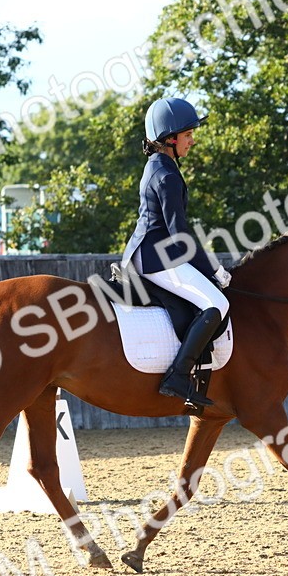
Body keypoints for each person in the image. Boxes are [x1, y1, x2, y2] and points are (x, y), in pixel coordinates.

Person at [120, 97, 231, 411]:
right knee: (217, 303)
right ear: (170, 139)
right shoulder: (166, 175)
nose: (193, 141)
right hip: (156, 257)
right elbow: (180, 237)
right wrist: (213, 270)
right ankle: (177, 376)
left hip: (156, 252)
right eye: (188, 135)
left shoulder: (161, 166)